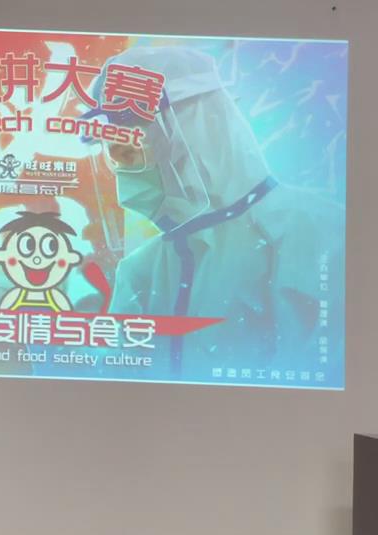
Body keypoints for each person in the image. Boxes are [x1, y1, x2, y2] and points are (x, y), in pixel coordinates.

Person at [82, 46, 344, 380]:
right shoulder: (140, 272)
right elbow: (117, 391)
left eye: (136, 142)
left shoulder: (321, 232)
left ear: (200, 126)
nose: (126, 167)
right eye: (117, 152)